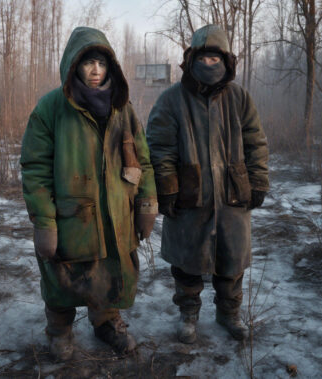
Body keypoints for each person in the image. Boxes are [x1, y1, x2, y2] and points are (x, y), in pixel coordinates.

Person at [20, 26, 157, 360]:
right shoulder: (50, 108)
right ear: (73, 65)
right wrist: (44, 222)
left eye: (101, 62)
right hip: (71, 219)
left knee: (110, 274)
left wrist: (147, 202)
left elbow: (143, 159)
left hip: (116, 215)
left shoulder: (122, 107)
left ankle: (107, 323)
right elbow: (35, 168)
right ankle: (59, 332)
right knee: (61, 279)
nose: (96, 70)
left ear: (111, 67)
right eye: (87, 62)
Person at [146, 24, 269, 343]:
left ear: (227, 61)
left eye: (216, 58)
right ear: (191, 59)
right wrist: (168, 185)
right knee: (187, 265)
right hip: (189, 198)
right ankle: (188, 316)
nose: (210, 64)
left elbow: (256, 141)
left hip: (232, 197)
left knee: (232, 263)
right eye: (204, 57)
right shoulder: (171, 99)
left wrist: (257, 180)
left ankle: (229, 314)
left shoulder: (240, 98)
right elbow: (159, 146)